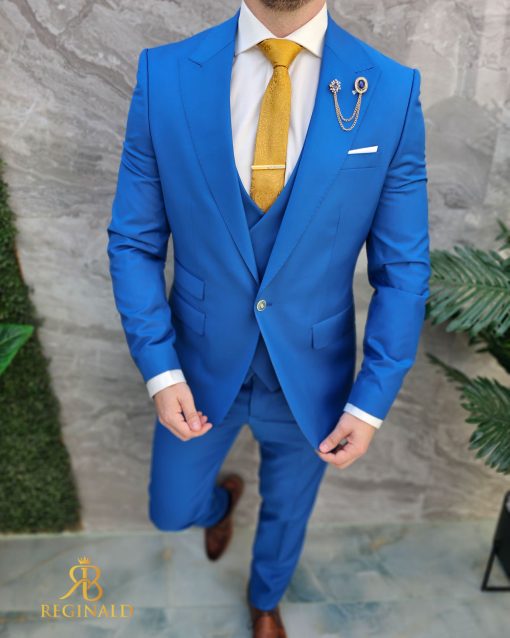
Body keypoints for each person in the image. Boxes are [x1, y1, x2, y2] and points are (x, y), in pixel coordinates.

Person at [107, 0, 430, 635]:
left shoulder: (392, 90)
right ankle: (219, 502)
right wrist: (160, 369)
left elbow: (403, 270)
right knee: (170, 511)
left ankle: (265, 600)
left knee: (288, 510)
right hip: (197, 368)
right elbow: (134, 241)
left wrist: (371, 401)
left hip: (312, 374)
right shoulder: (163, 75)